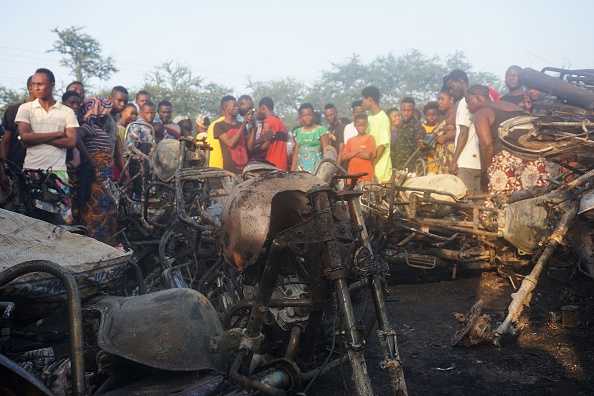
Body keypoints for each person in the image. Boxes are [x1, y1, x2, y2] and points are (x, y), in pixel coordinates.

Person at [15, 68, 78, 223]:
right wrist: (57, 134)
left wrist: (34, 138)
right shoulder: (26, 108)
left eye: (41, 84)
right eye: (34, 84)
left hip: (58, 173)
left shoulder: (66, 111)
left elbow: (71, 142)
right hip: (31, 172)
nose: (36, 87)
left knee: (62, 223)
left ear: (52, 85)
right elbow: (25, 136)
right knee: (30, 220)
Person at [466, 84, 548, 194]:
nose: (467, 107)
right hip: (533, 159)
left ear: (477, 98)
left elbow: (487, 145)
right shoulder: (516, 107)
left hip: (507, 165)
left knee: (502, 205)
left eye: (468, 101)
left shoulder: (482, 113)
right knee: (534, 199)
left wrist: (489, 168)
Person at [76, 96, 125, 244]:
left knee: (103, 206)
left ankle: (100, 241)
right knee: (95, 206)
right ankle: (92, 241)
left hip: (104, 173)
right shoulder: (87, 126)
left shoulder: (97, 128)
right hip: (97, 172)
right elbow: (76, 139)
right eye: (103, 114)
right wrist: (91, 159)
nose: (105, 117)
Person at [447, 69, 481, 195]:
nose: (451, 91)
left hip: (465, 161)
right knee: (477, 203)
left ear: (461, 82)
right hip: (477, 162)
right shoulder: (478, 102)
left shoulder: (464, 102)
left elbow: (463, 132)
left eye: (452, 87)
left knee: (465, 203)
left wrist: (454, 161)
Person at [0, 76, 34, 192]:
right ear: (31, 88)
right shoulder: (14, 110)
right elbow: (5, 143)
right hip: (14, 171)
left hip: (42, 174)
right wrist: (2, 171)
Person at [361, 86, 391, 182]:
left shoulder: (383, 118)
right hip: (370, 164)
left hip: (381, 166)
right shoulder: (369, 119)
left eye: (363, 100)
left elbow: (382, 145)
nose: (362, 103)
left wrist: (373, 164)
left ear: (370, 99)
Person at [214, 95, 250, 174]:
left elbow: (249, 147)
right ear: (226, 108)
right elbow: (230, 143)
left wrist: (253, 127)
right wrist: (243, 125)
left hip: (245, 170)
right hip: (230, 172)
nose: (237, 108)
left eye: (237, 106)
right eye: (234, 106)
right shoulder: (219, 125)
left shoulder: (241, 124)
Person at [249, 96, 288, 169]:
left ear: (263, 108)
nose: (257, 113)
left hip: (271, 164)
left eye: (259, 110)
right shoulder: (281, 123)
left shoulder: (267, 122)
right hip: (282, 165)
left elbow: (265, 146)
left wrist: (250, 150)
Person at [291, 103, 329, 173]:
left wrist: (325, 171)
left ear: (313, 115)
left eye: (309, 115)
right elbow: (296, 153)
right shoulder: (297, 132)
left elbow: (326, 151)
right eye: (304, 115)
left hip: (316, 167)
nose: (307, 117)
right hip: (300, 168)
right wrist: (292, 172)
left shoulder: (321, 130)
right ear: (301, 117)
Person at [341, 113, 376, 182]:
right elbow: (343, 157)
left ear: (367, 125)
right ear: (355, 125)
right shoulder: (350, 140)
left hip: (366, 176)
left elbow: (367, 155)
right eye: (359, 125)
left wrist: (351, 154)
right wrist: (357, 151)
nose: (362, 127)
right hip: (352, 176)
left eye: (364, 125)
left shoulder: (370, 138)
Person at [393, 97, 425, 171]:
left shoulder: (418, 128)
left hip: (412, 171)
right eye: (404, 110)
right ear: (400, 110)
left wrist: (419, 173)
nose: (406, 113)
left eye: (409, 110)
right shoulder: (400, 125)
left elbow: (420, 153)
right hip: (399, 169)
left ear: (413, 111)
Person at [432, 86, 457, 174]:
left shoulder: (455, 115)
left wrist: (446, 137)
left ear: (451, 99)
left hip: (450, 157)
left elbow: (462, 132)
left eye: (443, 99)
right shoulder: (444, 117)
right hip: (441, 158)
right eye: (438, 100)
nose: (440, 102)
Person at [421, 101, 439, 172]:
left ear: (437, 115)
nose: (431, 117)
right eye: (428, 115)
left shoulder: (439, 127)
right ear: (425, 116)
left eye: (434, 114)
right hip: (425, 163)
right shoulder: (421, 128)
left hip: (437, 164)